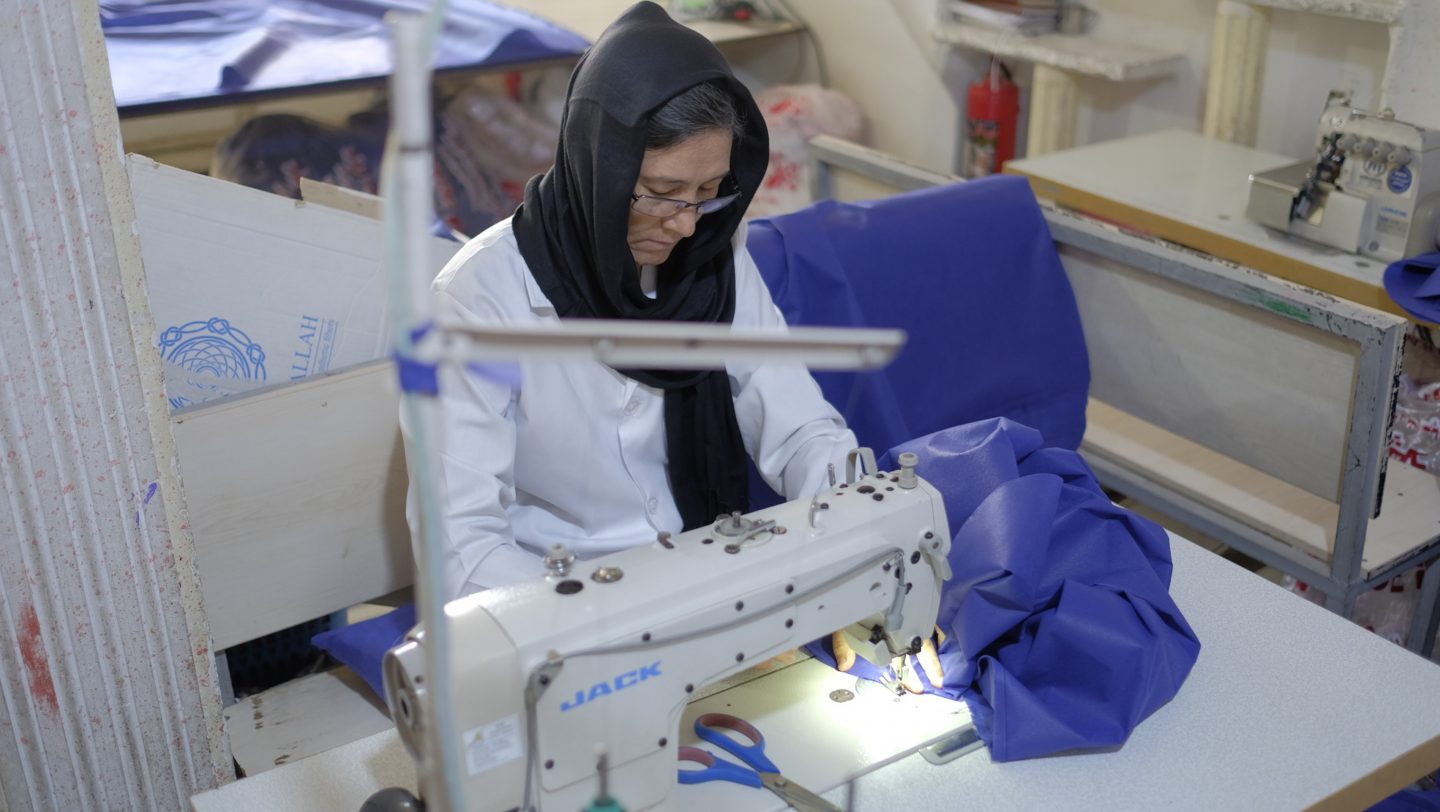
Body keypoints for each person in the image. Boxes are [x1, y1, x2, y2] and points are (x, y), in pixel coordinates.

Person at [406, 1, 857, 600]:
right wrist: (614, 611)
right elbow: (462, 550)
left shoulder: (712, 259)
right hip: (553, 597)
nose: (686, 226)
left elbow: (798, 428)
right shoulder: (478, 301)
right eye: (663, 193)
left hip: (699, 568)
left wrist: (860, 526)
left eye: (707, 193)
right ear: (600, 168)